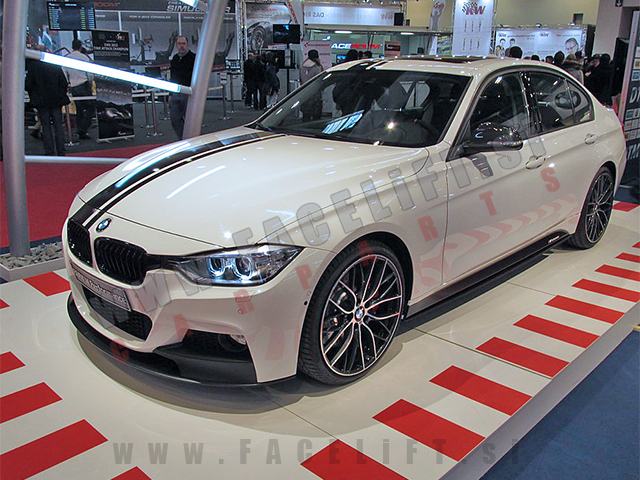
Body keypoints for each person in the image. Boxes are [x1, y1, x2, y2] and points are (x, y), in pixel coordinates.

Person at [25, 47, 70, 156]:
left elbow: (28, 85)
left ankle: (49, 151)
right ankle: (61, 150)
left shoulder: (33, 66)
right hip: (56, 100)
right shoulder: (54, 64)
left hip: (41, 101)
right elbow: (64, 82)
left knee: (46, 126)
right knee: (58, 126)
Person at [65, 39, 95, 140]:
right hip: (84, 84)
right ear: (80, 47)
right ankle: (83, 129)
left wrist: (68, 83)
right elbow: (89, 73)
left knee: (79, 109)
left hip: (74, 86)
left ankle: (80, 130)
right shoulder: (84, 57)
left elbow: (65, 73)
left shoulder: (66, 58)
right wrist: (90, 83)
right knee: (91, 107)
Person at [169, 36, 195, 139]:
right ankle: (183, 139)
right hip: (176, 93)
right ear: (176, 45)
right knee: (175, 119)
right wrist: (170, 94)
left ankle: (191, 139)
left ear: (187, 44)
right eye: (179, 44)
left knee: (190, 120)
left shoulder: (193, 58)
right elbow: (172, 77)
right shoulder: (175, 59)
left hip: (188, 94)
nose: (181, 46)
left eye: (183, 43)